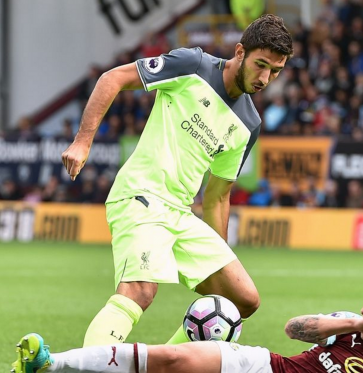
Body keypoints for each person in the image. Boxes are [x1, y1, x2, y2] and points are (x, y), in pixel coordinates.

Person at [60, 14, 294, 348]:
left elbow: (217, 198)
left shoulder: (249, 123)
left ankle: (164, 363)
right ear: (240, 52)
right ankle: (90, 368)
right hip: (140, 195)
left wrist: (217, 254)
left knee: (240, 301)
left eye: (275, 71)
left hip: (180, 214)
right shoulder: (193, 64)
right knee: (140, 290)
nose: (265, 78)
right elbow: (112, 79)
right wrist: (82, 141)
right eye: (261, 65)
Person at [11, 270, 363, 373]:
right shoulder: (349, 325)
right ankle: (51, 362)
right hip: (268, 367)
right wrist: (356, 327)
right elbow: (294, 329)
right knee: (174, 358)